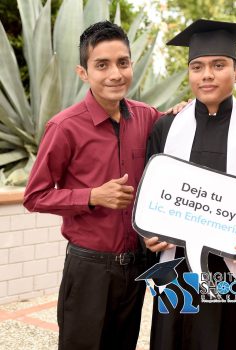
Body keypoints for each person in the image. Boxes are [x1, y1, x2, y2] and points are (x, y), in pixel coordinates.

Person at [23, 21, 164, 350]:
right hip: (88, 270)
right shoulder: (64, 127)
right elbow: (34, 196)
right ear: (83, 72)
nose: (115, 74)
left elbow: (185, 127)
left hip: (135, 268)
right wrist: (92, 196)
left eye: (123, 63)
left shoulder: (148, 117)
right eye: (102, 65)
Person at [144, 19, 236, 350]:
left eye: (218, 65)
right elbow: (149, 194)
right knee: (172, 339)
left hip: (229, 269)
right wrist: (147, 235)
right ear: (189, 73)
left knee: (224, 340)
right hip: (174, 267)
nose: (206, 74)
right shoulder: (166, 127)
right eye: (197, 66)